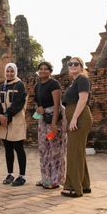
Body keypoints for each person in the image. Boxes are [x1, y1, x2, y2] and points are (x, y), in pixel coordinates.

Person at [61, 57, 93, 197]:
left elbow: (83, 99)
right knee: (78, 151)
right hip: (74, 117)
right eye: (70, 64)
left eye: (76, 64)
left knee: (73, 151)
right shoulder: (75, 82)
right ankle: (84, 185)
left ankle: (73, 187)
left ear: (81, 67)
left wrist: (73, 118)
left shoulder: (82, 79)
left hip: (79, 117)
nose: (73, 66)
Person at [34, 61, 67, 190]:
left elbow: (57, 105)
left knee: (54, 149)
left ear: (50, 71)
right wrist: (38, 109)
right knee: (43, 148)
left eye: (46, 69)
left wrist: (54, 124)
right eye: (41, 69)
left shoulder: (54, 84)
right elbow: (36, 102)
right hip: (43, 119)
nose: (43, 71)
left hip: (54, 118)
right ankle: (45, 177)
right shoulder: (37, 86)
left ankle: (55, 179)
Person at [0, 63, 28, 186]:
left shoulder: (20, 85)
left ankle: (22, 175)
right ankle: (10, 174)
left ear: (15, 72)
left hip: (15, 120)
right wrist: (0, 115)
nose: (9, 73)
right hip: (4, 121)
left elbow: (19, 103)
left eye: (11, 71)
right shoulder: (2, 86)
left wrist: (7, 114)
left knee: (18, 148)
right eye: (7, 71)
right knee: (7, 148)